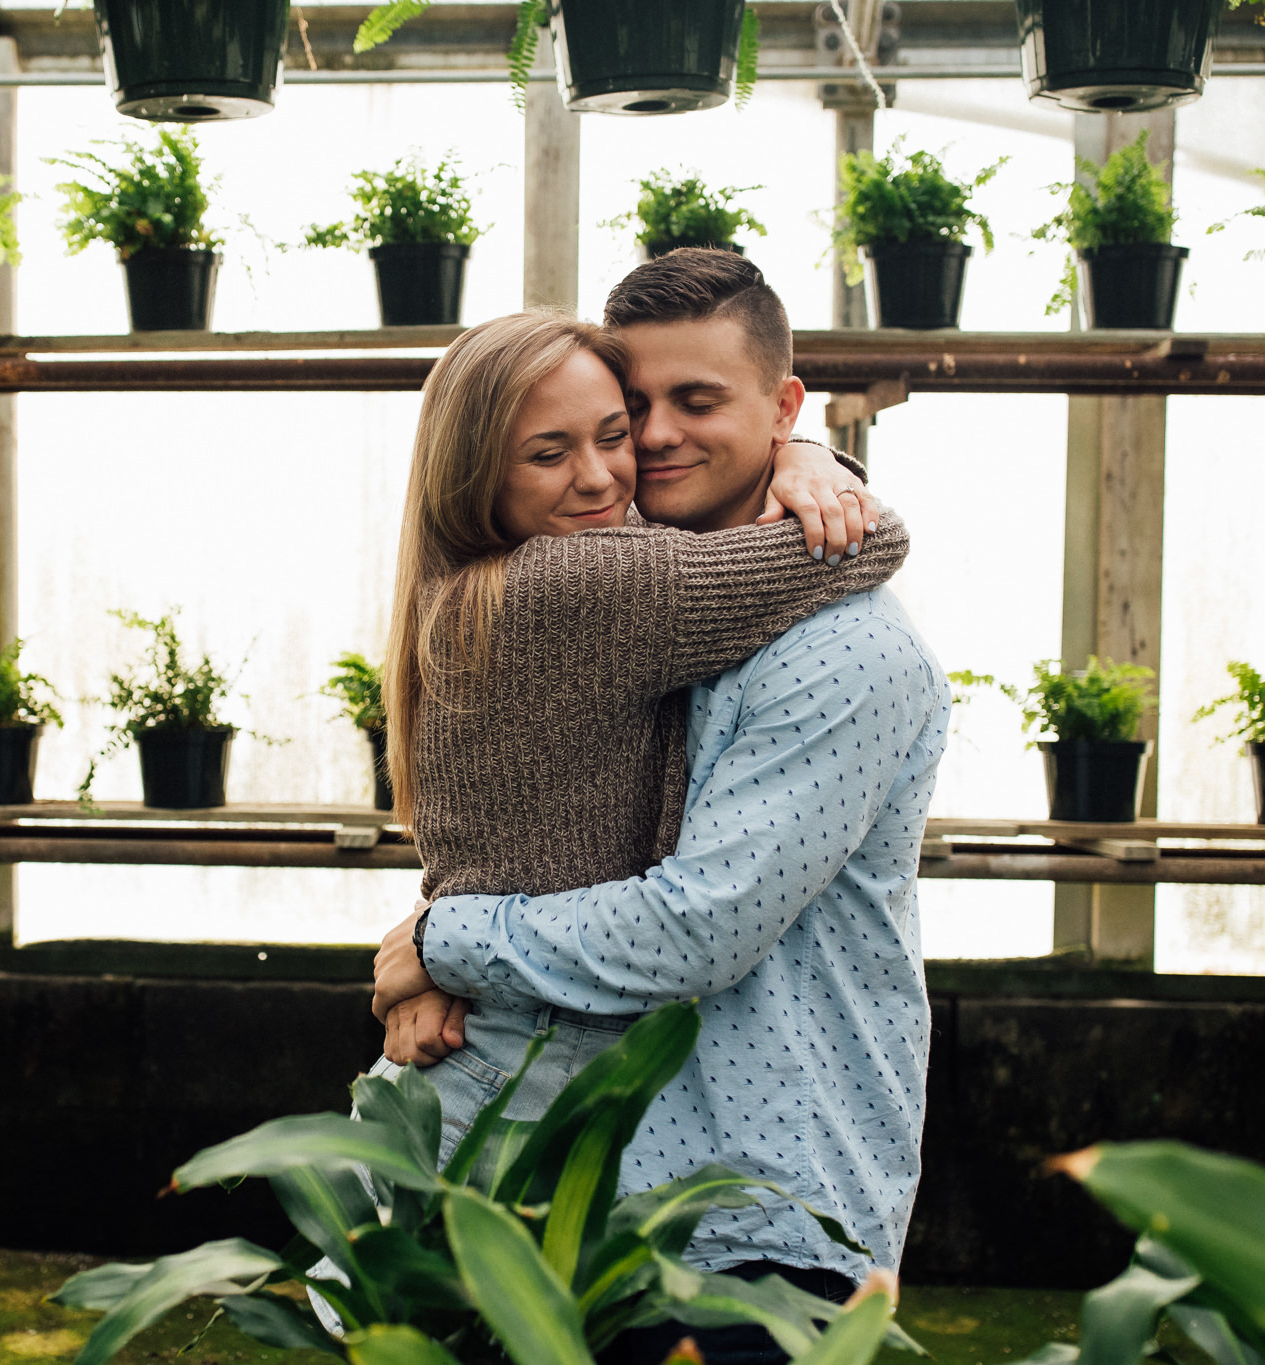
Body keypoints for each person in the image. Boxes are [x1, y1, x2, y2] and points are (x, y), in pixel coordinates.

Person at [372, 250, 949, 1365]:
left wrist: (444, 939)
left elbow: (697, 925)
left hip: (759, 1208)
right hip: (587, 1172)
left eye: (695, 402)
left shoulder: (849, 652)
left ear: (778, 406)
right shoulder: (614, 584)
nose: (648, 442)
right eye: (631, 408)